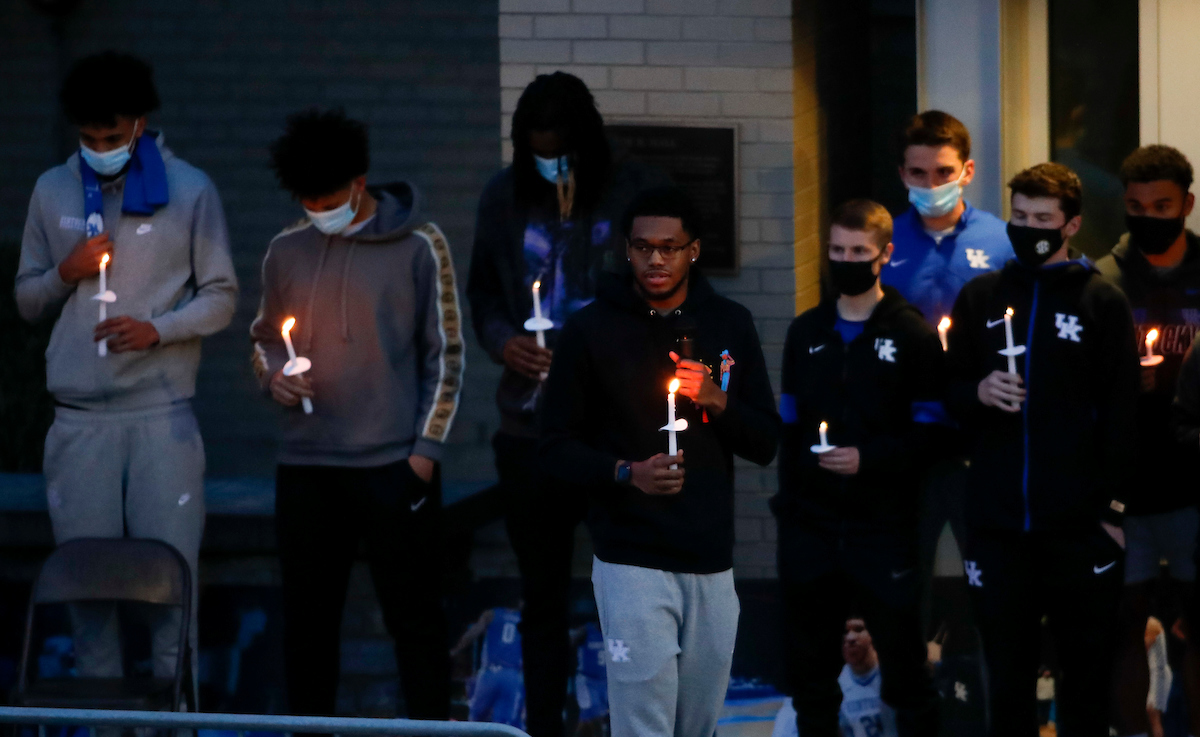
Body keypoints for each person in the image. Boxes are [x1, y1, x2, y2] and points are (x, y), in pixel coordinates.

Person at [14, 50, 238, 697]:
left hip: (160, 417)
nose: (100, 149)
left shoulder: (190, 190)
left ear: (140, 122)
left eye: (112, 137)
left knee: (173, 599)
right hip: (79, 421)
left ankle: (176, 725)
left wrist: (157, 329)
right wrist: (66, 271)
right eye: (88, 138)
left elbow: (222, 296)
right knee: (88, 604)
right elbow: (26, 300)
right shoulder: (51, 188)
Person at [538, 186, 780, 737]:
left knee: (698, 725)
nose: (655, 259)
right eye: (643, 247)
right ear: (626, 250)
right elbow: (553, 447)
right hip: (631, 557)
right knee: (644, 724)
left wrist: (716, 399)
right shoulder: (591, 330)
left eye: (669, 247)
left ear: (693, 250)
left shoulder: (729, 323)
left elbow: (765, 442)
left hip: (710, 558)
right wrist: (628, 473)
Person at [467, 71, 666, 737]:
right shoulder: (503, 197)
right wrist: (504, 342)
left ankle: (636, 722)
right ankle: (544, 726)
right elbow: (482, 294)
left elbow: (667, 287)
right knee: (542, 594)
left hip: (615, 428)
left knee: (633, 594)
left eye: (561, 152)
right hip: (530, 429)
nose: (552, 165)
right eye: (539, 152)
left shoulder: (633, 191)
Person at [250, 108, 463, 720]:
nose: (318, 210)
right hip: (307, 468)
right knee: (308, 627)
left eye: (328, 199)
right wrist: (274, 378)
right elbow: (263, 339)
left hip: (394, 466)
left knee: (416, 623)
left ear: (359, 182)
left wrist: (424, 454)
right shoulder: (285, 249)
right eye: (307, 201)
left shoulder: (421, 244)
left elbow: (446, 354)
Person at [945, 162, 1140, 735]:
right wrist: (978, 391)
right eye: (1020, 216)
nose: (1029, 228)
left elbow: (1124, 415)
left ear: (1070, 225)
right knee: (1007, 680)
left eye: (1042, 219)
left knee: (1084, 679)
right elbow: (949, 391)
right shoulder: (981, 297)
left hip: (1078, 528)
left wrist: (1113, 512)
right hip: (999, 528)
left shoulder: (1101, 301)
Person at [773, 199, 941, 737]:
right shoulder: (806, 332)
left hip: (883, 529)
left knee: (906, 673)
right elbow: (790, 430)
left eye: (858, 252)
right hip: (812, 529)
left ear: (884, 255)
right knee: (811, 676)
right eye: (837, 251)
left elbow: (931, 435)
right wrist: (792, 512)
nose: (845, 261)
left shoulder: (912, 335)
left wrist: (870, 460)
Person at [883, 111, 1015, 632]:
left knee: (994, 580)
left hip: (982, 439)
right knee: (902, 584)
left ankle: (998, 680)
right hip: (905, 438)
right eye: (918, 173)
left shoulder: (1003, 241)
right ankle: (908, 681)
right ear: (902, 174)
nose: (931, 184)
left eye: (943, 172)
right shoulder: (883, 241)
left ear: (967, 171)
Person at [1096, 145, 1200, 737]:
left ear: (1187, 204)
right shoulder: (1102, 281)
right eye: (1137, 207)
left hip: (1194, 482)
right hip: (1127, 489)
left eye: (1162, 206)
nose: (1149, 217)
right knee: (1126, 628)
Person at [771, 618, 899, 737]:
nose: (851, 638)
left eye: (859, 630)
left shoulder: (895, 676)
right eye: (844, 632)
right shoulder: (830, 685)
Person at [451, 606, 526, 729]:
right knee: (505, 724)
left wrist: (456, 650)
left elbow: (472, 633)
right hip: (512, 675)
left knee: (476, 719)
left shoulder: (491, 614)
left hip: (490, 672)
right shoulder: (522, 619)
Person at [572, 622, 609, 737]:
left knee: (603, 718)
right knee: (590, 718)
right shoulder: (586, 631)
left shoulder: (612, 632)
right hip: (587, 681)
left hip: (606, 682)